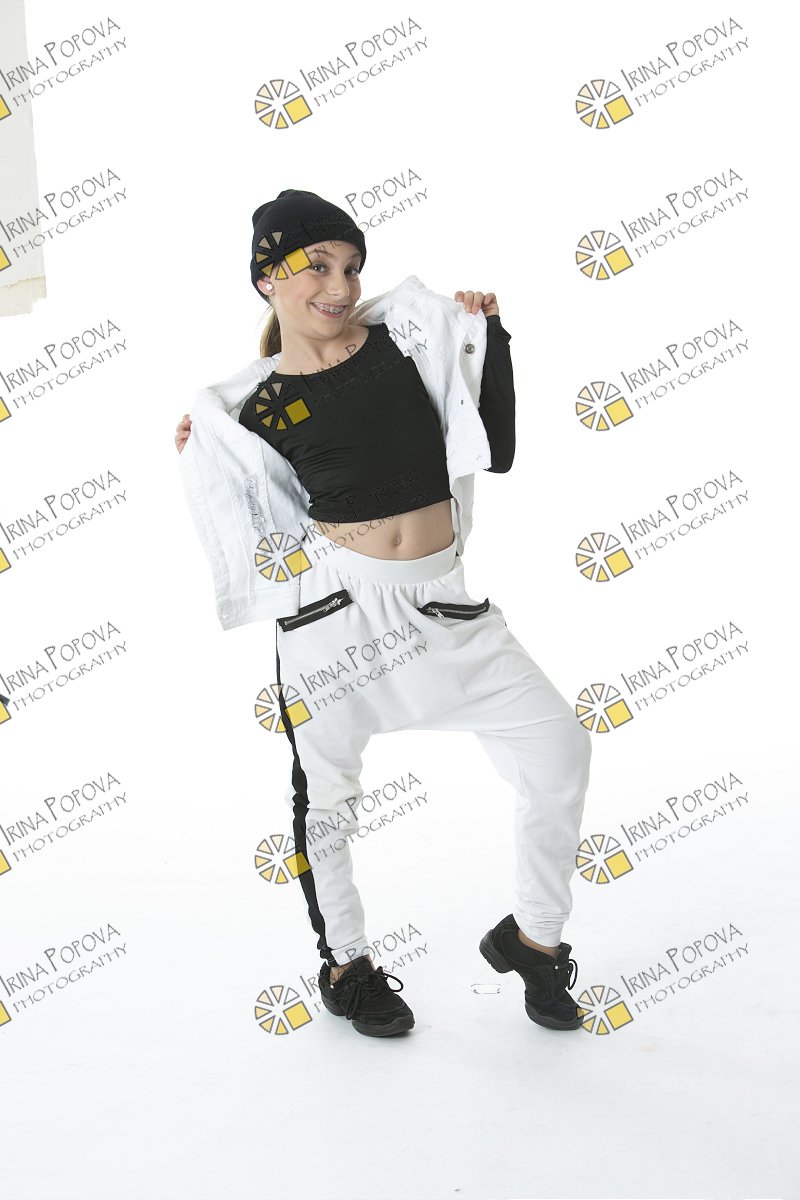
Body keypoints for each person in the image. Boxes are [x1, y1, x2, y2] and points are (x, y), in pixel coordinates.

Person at [175, 189, 592, 1038]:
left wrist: (489, 337)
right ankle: (347, 968)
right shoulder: (255, 410)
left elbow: (497, 450)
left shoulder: (407, 341)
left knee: (560, 752)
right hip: (338, 619)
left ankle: (533, 941)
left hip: (445, 606)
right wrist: (206, 451)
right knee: (326, 802)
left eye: (351, 266)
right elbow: (256, 521)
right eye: (316, 266)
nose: (339, 285)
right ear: (267, 278)